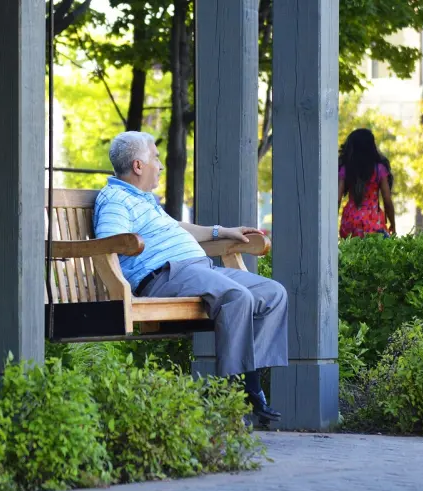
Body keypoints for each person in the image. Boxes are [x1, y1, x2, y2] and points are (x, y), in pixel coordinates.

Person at [93, 131, 288, 423]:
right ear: (138, 166)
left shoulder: (144, 200)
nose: (160, 165)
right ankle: (237, 393)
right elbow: (109, 242)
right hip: (165, 275)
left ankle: (249, 381)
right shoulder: (116, 200)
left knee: (273, 294)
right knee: (236, 297)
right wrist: (139, 251)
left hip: (198, 269)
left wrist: (222, 232)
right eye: (155, 158)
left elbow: (177, 228)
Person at [337, 128, 396, 238]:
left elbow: (338, 199)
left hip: (349, 223)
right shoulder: (379, 169)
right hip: (373, 223)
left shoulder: (346, 169)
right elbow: (387, 200)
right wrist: (392, 223)